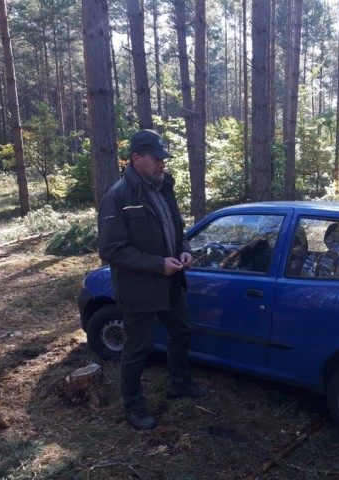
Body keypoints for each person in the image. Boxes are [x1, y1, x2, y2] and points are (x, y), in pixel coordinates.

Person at [98, 129, 207, 431]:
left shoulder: (163, 189)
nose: (162, 164)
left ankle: (179, 384)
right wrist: (158, 264)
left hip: (172, 281)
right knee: (138, 348)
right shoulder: (118, 196)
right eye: (157, 159)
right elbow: (111, 249)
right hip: (140, 288)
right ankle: (133, 407)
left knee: (182, 330)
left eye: (163, 159)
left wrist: (184, 250)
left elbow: (177, 228)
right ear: (136, 158)